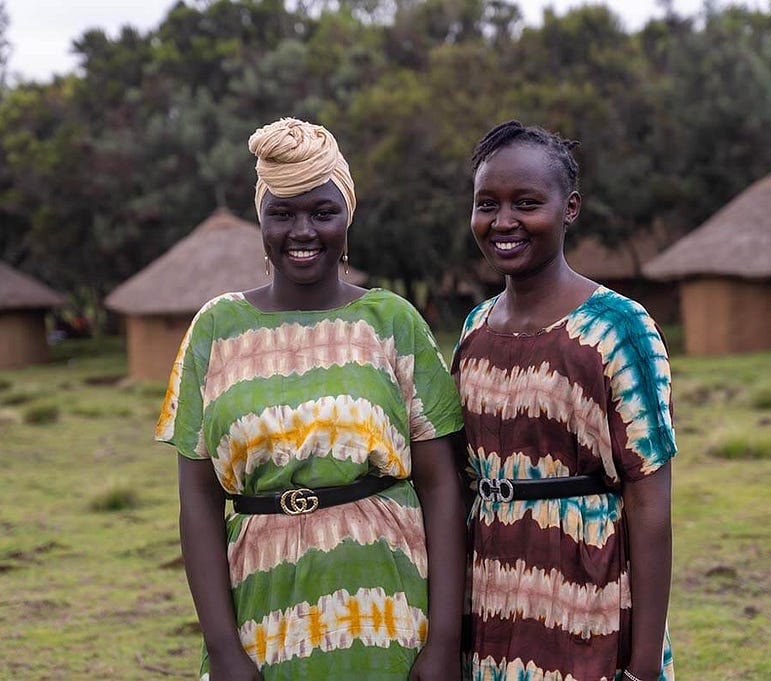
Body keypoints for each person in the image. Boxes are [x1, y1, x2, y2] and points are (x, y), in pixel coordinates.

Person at [156, 117, 466, 681]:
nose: (303, 231)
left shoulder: (391, 322)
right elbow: (197, 503)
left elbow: (443, 485)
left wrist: (444, 640)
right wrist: (224, 650)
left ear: (347, 218)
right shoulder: (216, 329)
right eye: (283, 213)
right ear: (261, 222)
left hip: (387, 602)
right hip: (262, 606)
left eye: (323, 213)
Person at [452, 121, 676, 681]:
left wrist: (644, 666)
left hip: (588, 597)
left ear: (569, 208)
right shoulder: (474, 329)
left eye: (526, 203)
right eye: (487, 204)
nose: (503, 222)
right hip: (491, 597)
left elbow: (651, 505)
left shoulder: (619, 328)